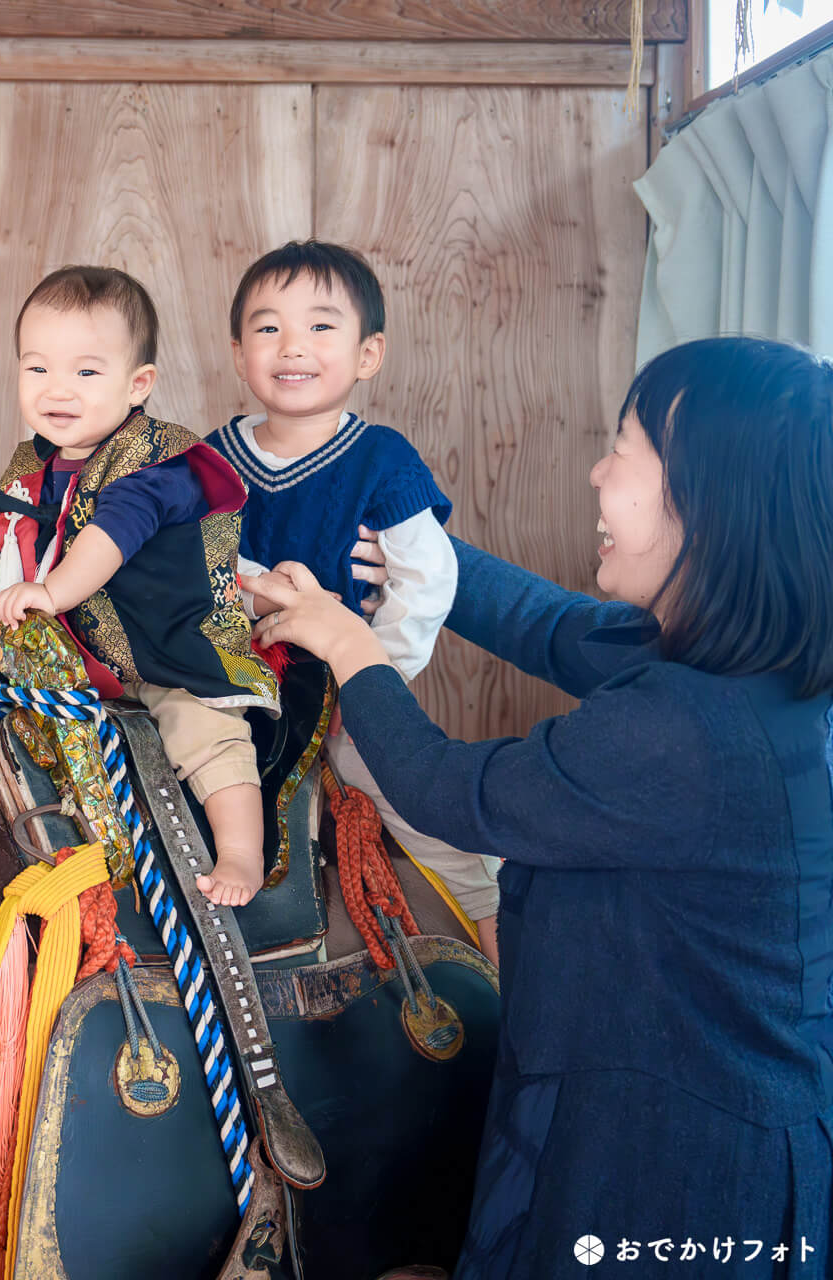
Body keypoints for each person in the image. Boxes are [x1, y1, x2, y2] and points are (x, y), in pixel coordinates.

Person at [251, 336, 833, 1278]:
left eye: (625, 449)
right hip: (666, 1107)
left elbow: (447, 788)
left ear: (711, 501)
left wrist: (345, 642)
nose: (598, 473)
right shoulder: (736, 669)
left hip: (674, 1158)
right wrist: (408, 543)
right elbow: (547, 623)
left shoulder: (684, 731)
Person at [207, 239, 500, 960]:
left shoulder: (382, 457)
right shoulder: (213, 457)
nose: (292, 346)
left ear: (368, 354)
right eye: (268, 327)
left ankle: (501, 946)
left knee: (432, 819)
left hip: (349, 692)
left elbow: (424, 578)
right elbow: (202, 562)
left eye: (321, 326)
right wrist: (250, 593)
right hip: (247, 691)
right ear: (239, 350)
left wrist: (376, 675)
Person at [0, 265, 279, 904]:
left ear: (138, 385)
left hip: (170, 648)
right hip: (77, 665)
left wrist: (51, 594)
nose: (58, 388)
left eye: (85, 371)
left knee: (205, 732)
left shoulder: (158, 462)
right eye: (37, 368)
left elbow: (110, 536)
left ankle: (243, 855)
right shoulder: (31, 465)